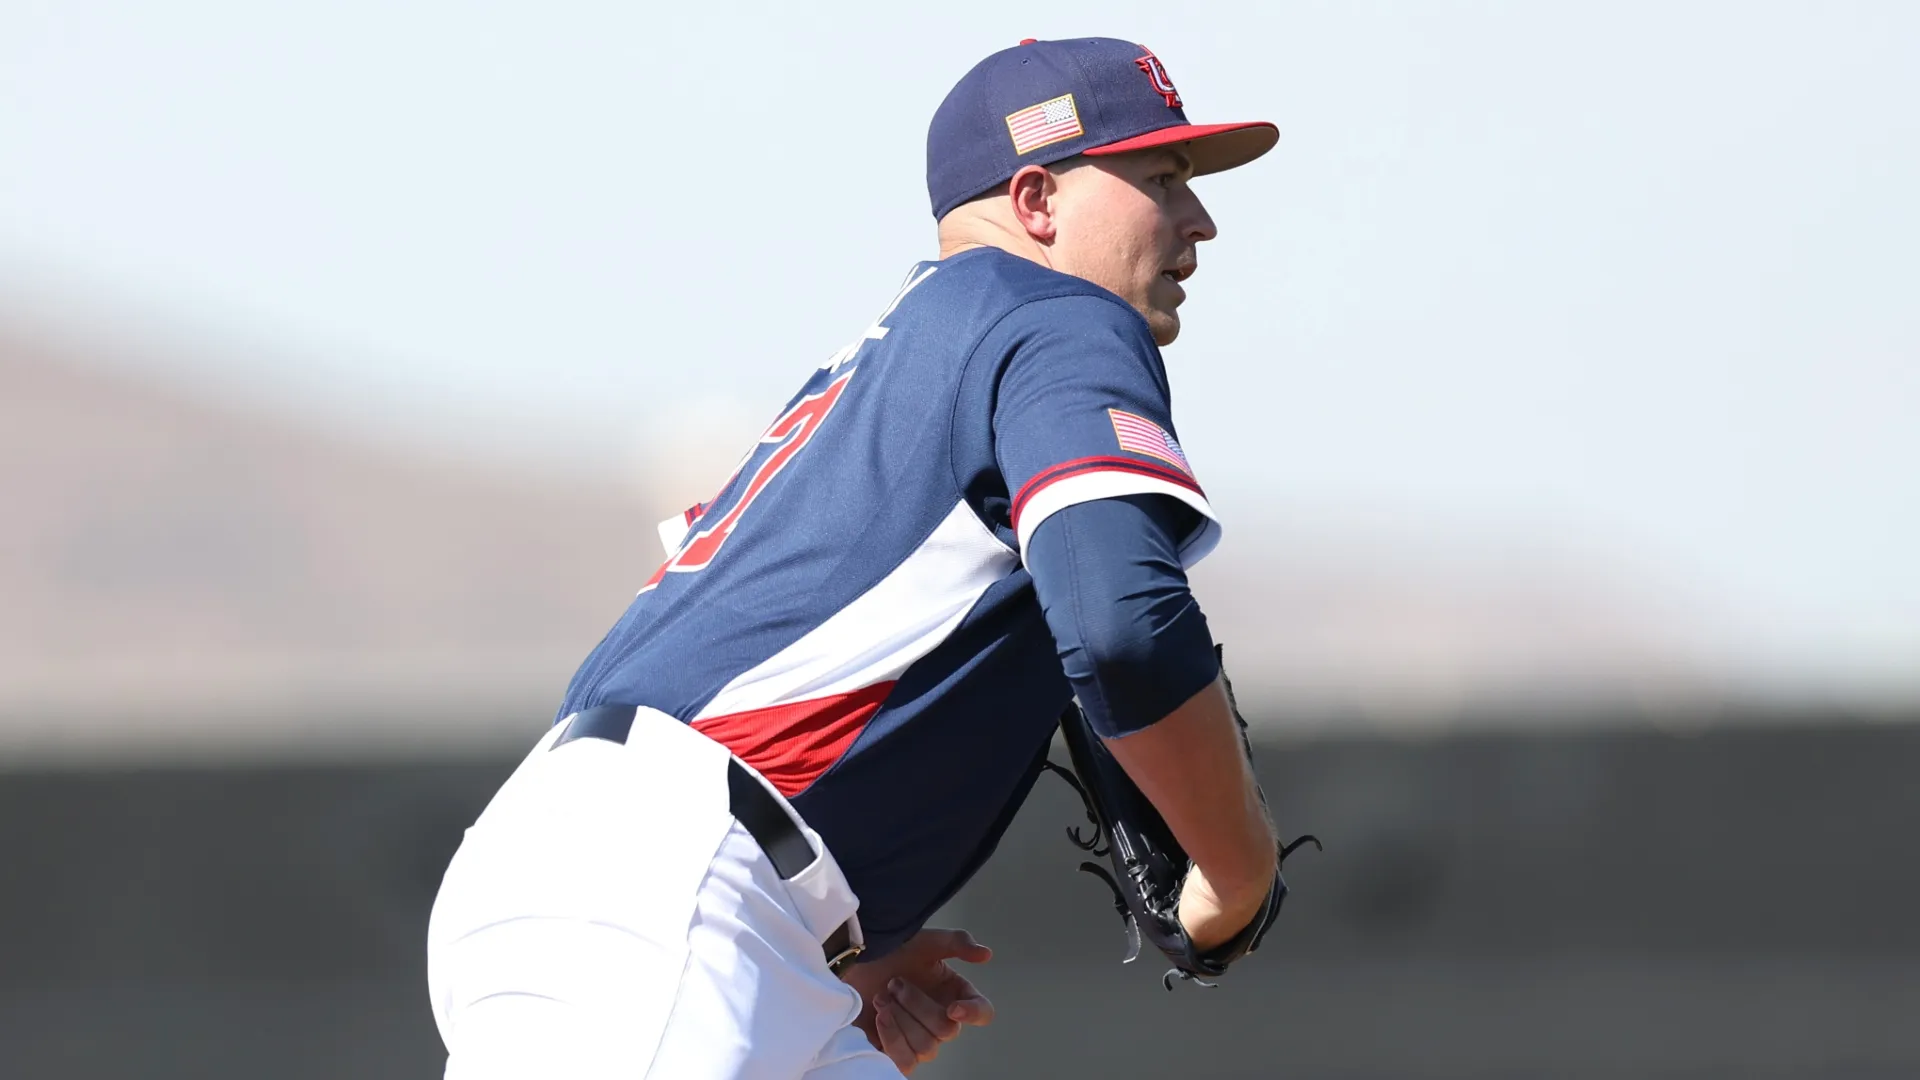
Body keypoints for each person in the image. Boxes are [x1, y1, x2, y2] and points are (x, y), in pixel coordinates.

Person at [426, 35, 1287, 1079]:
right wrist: (1234, 868)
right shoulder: (1054, 318)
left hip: (643, 880)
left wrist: (848, 953)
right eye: (1160, 179)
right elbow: (1121, 628)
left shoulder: (890, 375)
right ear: (1037, 201)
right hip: (665, 888)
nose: (1197, 222)